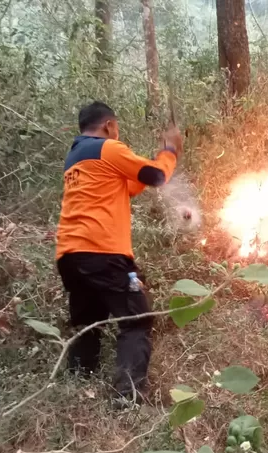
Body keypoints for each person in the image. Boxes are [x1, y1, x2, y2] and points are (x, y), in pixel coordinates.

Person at [55, 101, 182, 402]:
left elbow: (132, 185)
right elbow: (155, 176)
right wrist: (170, 151)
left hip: (70, 255)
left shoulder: (76, 157)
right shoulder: (107, 148)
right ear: (109, 126)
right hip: (102, 252)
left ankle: (77, 385)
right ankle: (129, 396)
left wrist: (160, 156)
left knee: (89, 321)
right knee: (137, 318)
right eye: (117, 128)